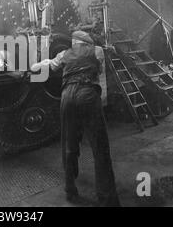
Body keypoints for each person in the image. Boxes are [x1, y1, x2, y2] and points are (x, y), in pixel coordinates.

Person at [31, 30, 120, 206]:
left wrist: (33, 66)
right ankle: (107, 198)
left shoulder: (64, 54)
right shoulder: (96, 51)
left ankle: (70, 190)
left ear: (74, 43)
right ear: (86, 43)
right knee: (99, 148)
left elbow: (48, 65)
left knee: (69, 147)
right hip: (87, 94)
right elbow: (100, 69)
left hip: (67, 96)